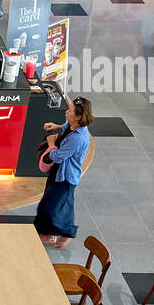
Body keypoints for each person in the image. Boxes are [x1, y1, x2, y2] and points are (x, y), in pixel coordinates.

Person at [34, 95, 94, 249]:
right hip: (60, 173)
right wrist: (57, 126)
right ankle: (58, 232)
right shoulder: (74, 126)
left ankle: (50, 233)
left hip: (65, 176)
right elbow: (67, 126)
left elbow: (59, 156)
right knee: (62, 204)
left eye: (71, 111)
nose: (67, 112)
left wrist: (52, 144)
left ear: (79, 117)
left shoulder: (78, 139)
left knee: (49, 205)